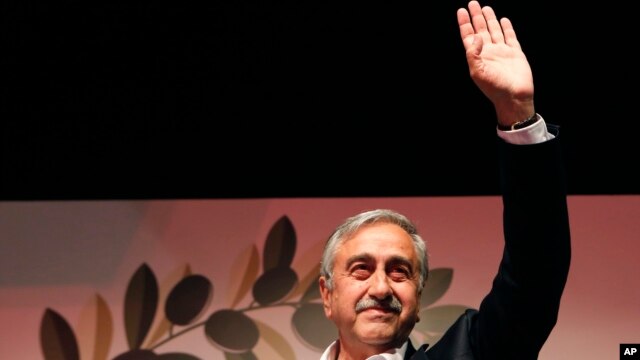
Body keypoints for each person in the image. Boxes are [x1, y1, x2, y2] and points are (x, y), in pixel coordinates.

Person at [317, 1, 572, 359]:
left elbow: (534, 277)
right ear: (327, 295)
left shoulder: (471, 353)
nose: (380, 287)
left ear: (418, 299)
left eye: (400, 272)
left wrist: (516, 111)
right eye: (361, 270)